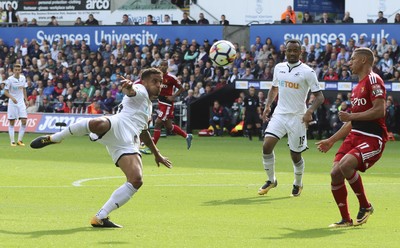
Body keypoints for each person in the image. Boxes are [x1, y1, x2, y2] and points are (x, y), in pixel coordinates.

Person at [30, 69, 172, 228]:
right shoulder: (140, 90)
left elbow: (145, 132)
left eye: (160, 82)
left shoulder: (148, 106)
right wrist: (128, 87)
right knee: (98, 123)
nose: (159, 85)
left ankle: (100, 217)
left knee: (136, 180)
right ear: (144, 82)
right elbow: (131, 91)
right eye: (155, 81)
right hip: (118, 124)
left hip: (128, 141)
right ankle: (55, 138)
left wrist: (156, 154)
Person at [316, 47, 387, 228]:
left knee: (346, 164)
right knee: (335, 173)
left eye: (353, 59)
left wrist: (352, 116)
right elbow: (351, 122)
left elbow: (380, 110)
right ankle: (345, 219)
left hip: (372, 137)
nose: (350, 62)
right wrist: (331, 140)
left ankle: (365, 205)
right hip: (354, 136)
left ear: (363, 60)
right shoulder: (356, 89)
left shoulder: (374, 80)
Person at [258, 39, 325, 197]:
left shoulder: (308, 71)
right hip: (280, 114)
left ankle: (298, 182)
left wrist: (309, 111)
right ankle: (271, 180)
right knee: (266, 146)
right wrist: (268, 106)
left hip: (297, 117)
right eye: (290, 50)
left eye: (296, 50)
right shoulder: (279, 68)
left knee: (295, 155)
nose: (292, 53)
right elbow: (274, 88)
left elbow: (320, 97)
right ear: (285, 51)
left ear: (301, 52)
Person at [141, 61, 193, 154]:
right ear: (159, 66)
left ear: (167, 67)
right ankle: (187, 136)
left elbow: (181, 88)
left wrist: (173, 96)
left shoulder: (171, 78)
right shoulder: (157, 77)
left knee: (158, 123)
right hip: (161, 102)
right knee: (169, 127)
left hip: (167, 104)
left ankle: (152, 148)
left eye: (165, 65)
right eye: (161, 65)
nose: (163, 67)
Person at [4, 64, 28, 146]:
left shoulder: (23, 78)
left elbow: (24, 89)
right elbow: (5, 92)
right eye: (16, 70)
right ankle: (12, 141)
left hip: (21, 102)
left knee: (24, 121)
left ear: (20, 70)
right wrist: (12, 98)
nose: (17, 71)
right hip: (12, 103)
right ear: (13, 70)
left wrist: (26, 99)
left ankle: (20, 140)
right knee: (12, 122)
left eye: (19, 70)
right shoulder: (9, 80)